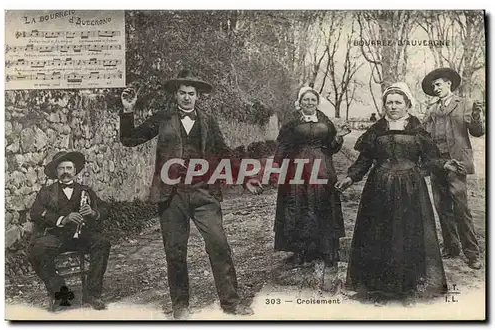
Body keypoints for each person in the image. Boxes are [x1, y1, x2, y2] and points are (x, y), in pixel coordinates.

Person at [119, 69, 263, 319]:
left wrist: (244, 178)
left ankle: (231, 303)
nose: (187, 98)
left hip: (204, 192)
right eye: (183, 93)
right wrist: (128, 110)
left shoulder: (208, 121)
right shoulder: (162, 118)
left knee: (219, 245)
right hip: (171, 195)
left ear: (198, 97)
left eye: (191, 94)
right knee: (175, 251)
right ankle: (180, 306)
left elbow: (225, 152)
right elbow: (129, 139)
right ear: (176, 95)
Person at [335, 82, 458, 306]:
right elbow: (364, 160)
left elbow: (429, 159)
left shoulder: (418, 130)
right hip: (379, 188)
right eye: (389, 102)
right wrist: (350, 177)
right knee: (378, 234)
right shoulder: (376, 131)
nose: (393, 106)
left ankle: (408, 286)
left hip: (411, 188)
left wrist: (444, 164)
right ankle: (379, 287)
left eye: (397, 102)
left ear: (408, 105)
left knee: (408, 234)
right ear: (384, 105)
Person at [272, 88, 349, 271]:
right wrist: (276, 167)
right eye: (305, 99)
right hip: (297, 168)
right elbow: (283, 146)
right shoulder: (292, 123)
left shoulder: (325, 122)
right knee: (298, 205)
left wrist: (338, 138)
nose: (309, 102)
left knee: (323, 204)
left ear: (317, 102)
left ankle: (327, 250)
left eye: (312, 99)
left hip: (322, 167)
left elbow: (331, 147)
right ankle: (300, 251)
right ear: (300, 102)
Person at [28, 151, 111, 312]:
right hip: (56, 236)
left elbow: (105, 208)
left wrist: (93, 213)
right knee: (36, 250)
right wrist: (62, 219)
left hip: (82, 235)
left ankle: (92, 294)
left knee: (102, 243)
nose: (65, 172)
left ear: (74, 171)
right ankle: (60, 291)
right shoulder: (47, 192)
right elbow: (35, 212)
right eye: (61, 168)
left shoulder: (85, 190)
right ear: (56, 172)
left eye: (68, 168)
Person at [421, 68, 484, 269]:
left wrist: (476, 115)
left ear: (449, 84)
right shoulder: (431, 110)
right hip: (436, 164)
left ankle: (472, 253)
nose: (435, 88)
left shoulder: (464, 104)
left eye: (438, 84)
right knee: (442, 207)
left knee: (461, 208)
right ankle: (451, 247)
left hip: (456, 164)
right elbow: (423, 135)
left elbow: (477, 132)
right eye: (433, 87)